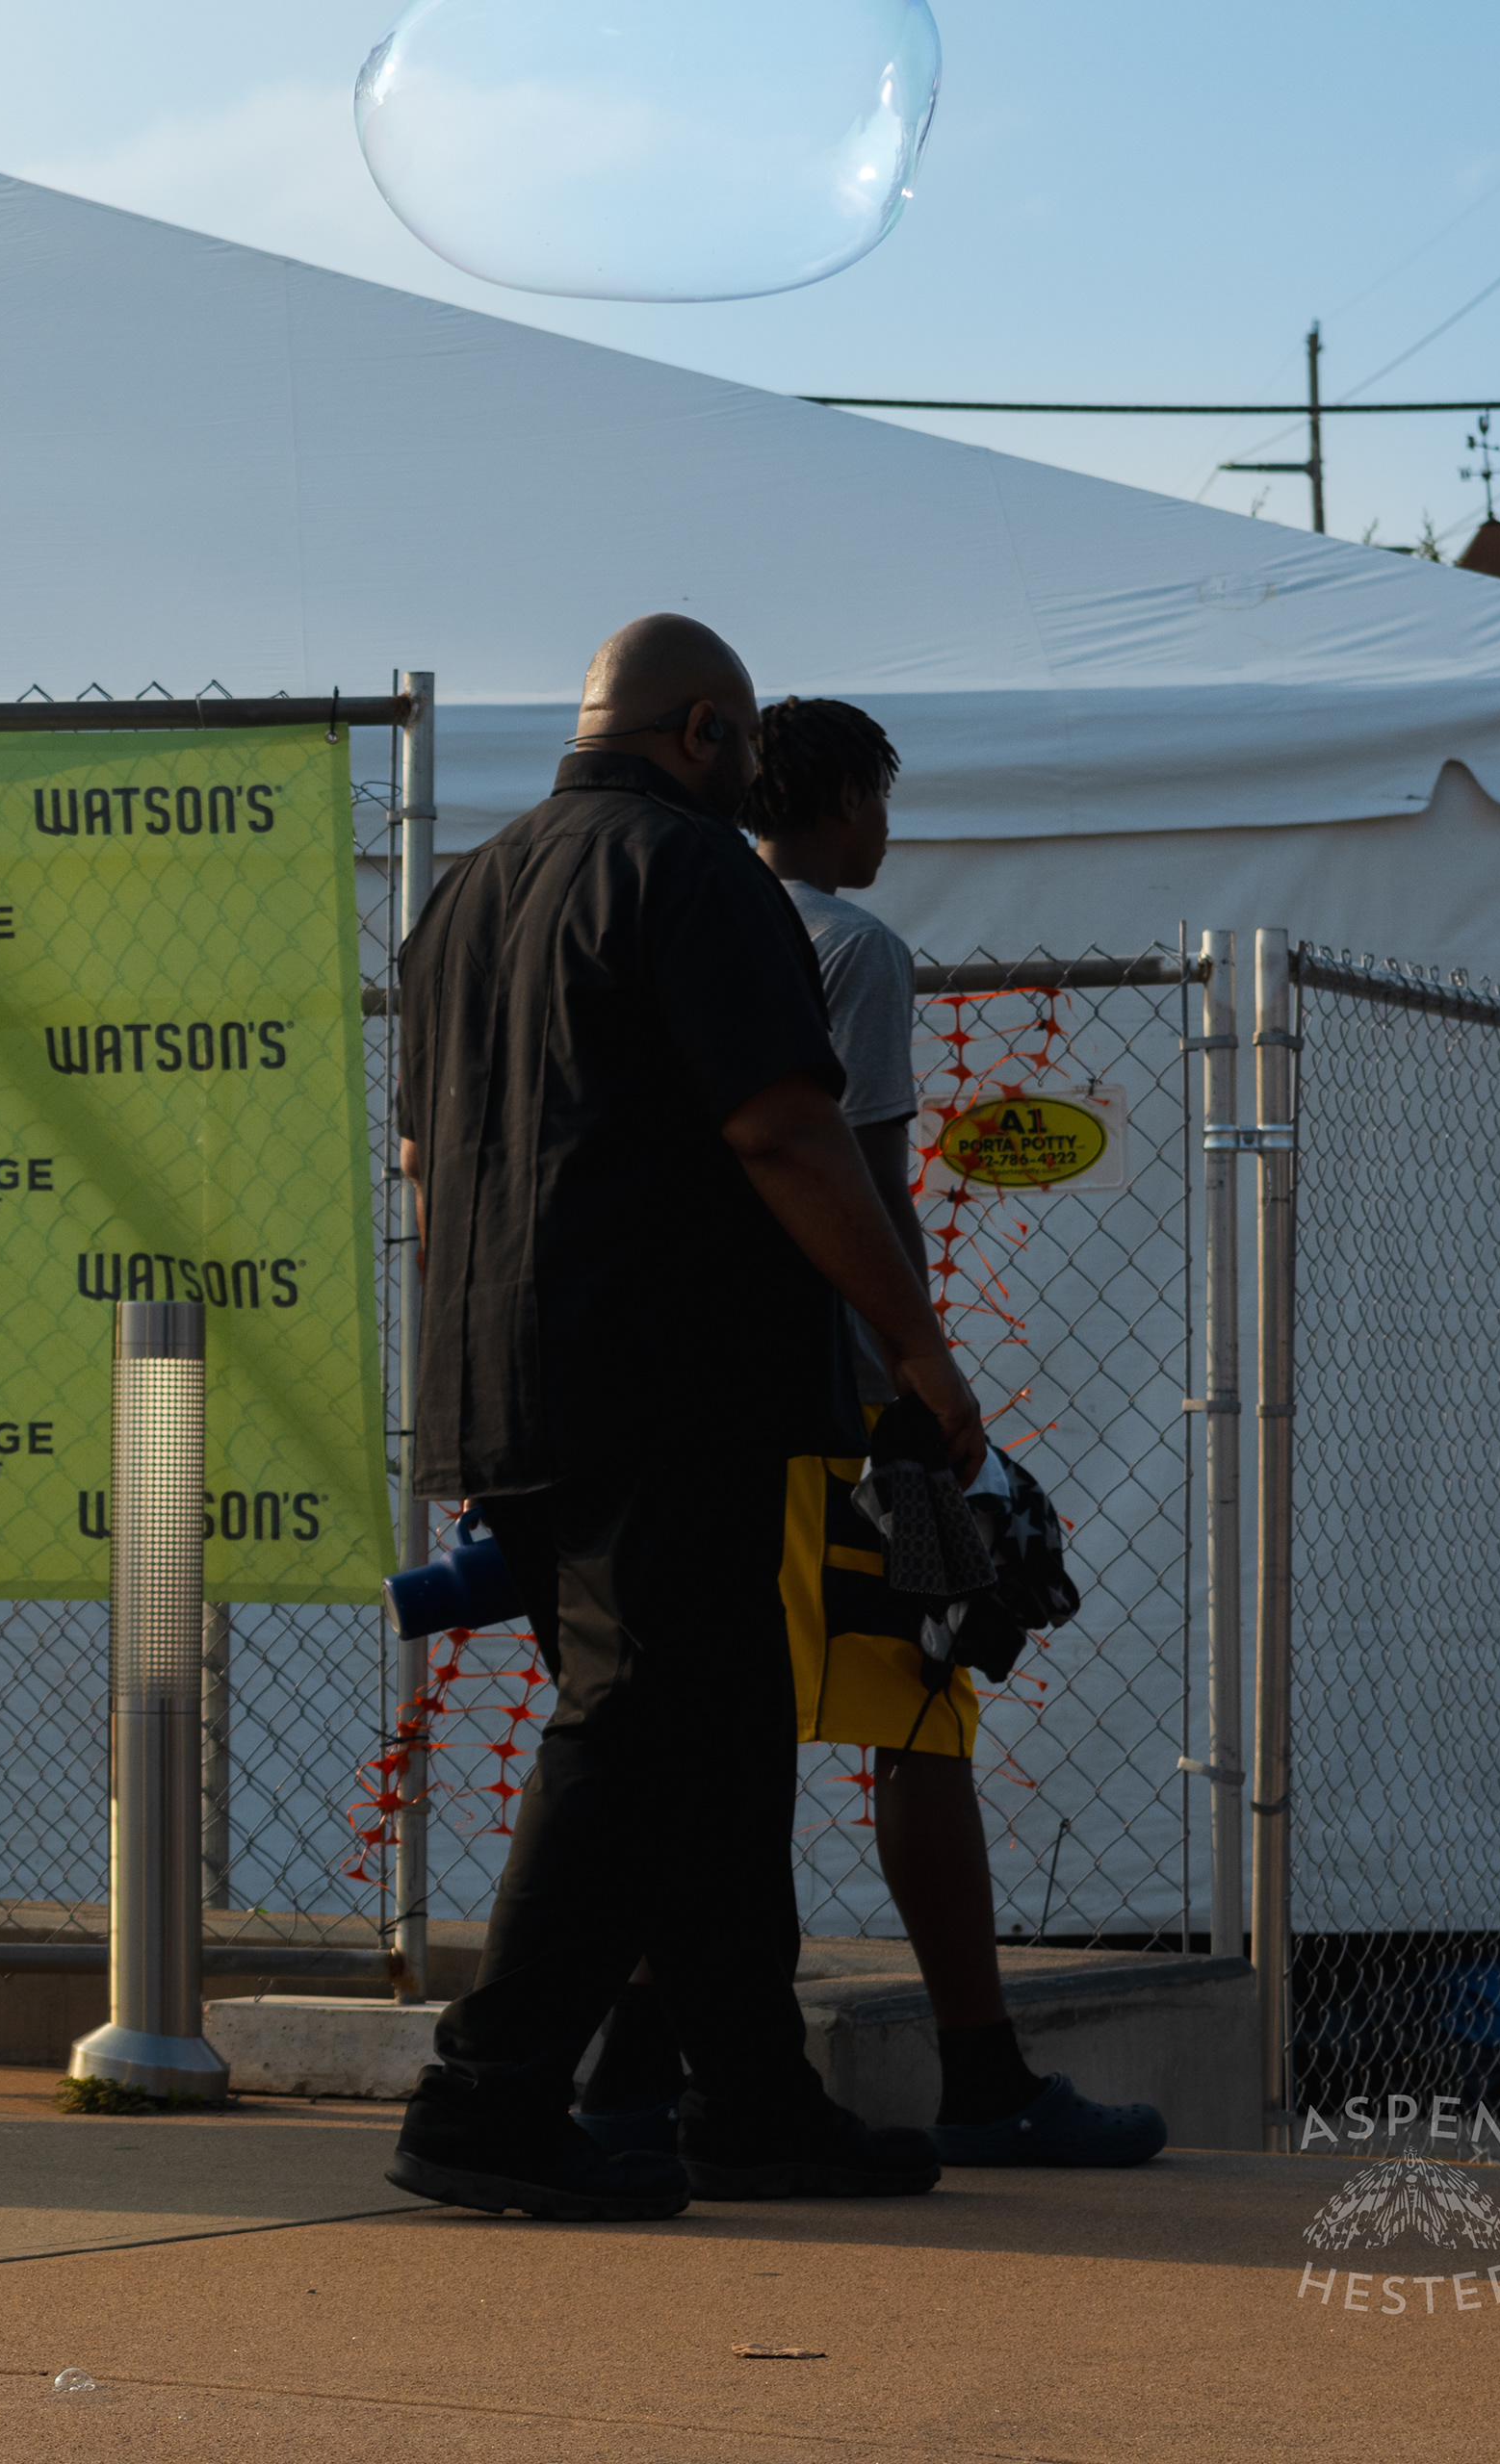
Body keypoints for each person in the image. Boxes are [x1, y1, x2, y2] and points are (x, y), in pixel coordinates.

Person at [386, 615, 989, 2222]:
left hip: (503, 1372)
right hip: (671, 1376)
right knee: (646, 1716)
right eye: (738, 740)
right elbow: (787, 1129)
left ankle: (754, 2103)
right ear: (705, 729)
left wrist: (475, 1371)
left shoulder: (466, 892)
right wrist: (915, 1344)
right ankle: (487, 2096)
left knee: (717, 1740)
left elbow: (426, 1174)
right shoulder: (694, 869)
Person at [566, 697, 1162, 2169]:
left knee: (699, 1734)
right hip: (848, 1406)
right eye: (878, 801)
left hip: (686, 1403)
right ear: (827, 800)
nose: (887, 829)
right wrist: (930, 1372)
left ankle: (629, 2076)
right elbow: (874, 1183)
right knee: (924, 1715)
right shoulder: (851, 948)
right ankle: (983, 2074)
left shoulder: (657, 910)